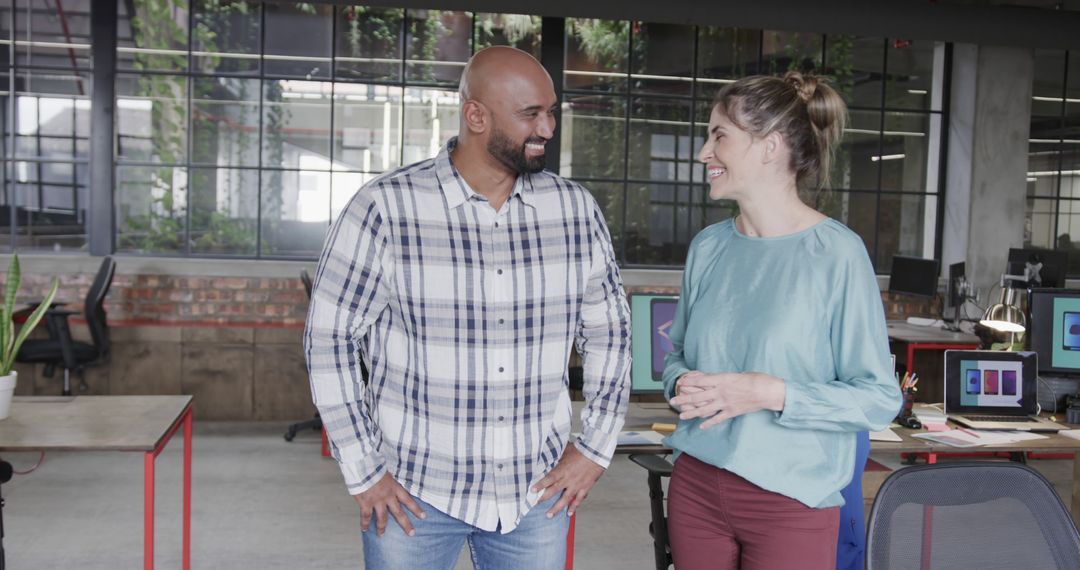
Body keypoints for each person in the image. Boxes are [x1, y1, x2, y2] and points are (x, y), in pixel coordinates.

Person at [303, 46, 632, 569]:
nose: (547, 127)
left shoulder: (574, 211)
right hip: (413, 494)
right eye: (530, 114)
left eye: (551, 111)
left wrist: (594, 448)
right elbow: (329, 340)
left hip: (534, 497)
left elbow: (610, 332)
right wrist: (364, 470)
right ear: (475, 115)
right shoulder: (386, 208)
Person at [661, 71, 901, 570]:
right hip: (696, 487)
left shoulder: (837, 254)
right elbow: (677, 358)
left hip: (791, 498)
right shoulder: (708, 248)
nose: (704, 153)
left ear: (770, 147)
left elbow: (878, 398)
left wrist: (769, 393)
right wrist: (682, 382)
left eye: (719, 136)